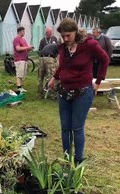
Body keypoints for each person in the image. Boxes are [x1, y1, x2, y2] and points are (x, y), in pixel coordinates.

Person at [48, 18, 109, 164]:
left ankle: (78, 160)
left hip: (82, 92)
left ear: (76, 32)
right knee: (65, 127)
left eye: (68, 35)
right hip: (64, 91)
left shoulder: (89, 45)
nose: (66, 38)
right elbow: (63, 65)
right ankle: (67, 158)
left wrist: (98, 81)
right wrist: (54, 78)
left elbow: (105, 59)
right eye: (63, 36)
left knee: (77, 127)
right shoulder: (63, 47)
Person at [38, 27, 58, 98]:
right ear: (46, 33)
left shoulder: (54, 39)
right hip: (48, 58)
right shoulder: (43, 40)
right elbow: (58, 55)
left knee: (41, 76)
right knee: (51, 76)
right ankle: (52, 94)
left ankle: (40, 94)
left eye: (51, 32)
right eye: (49, 32)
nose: (50, 34)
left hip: (41, 58)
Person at [13, 27, 34, 93]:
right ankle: (19, 88)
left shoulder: (24, 40)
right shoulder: (16, 39)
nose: (24, 33)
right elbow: (18, 48)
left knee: (23, 74)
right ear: (19, 32)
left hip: (25, 59)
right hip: (19, 59)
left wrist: (30, 48)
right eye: (23, 31)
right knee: (19, 74)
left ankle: (21, 87)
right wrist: (27, 47)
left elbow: (26, 49)